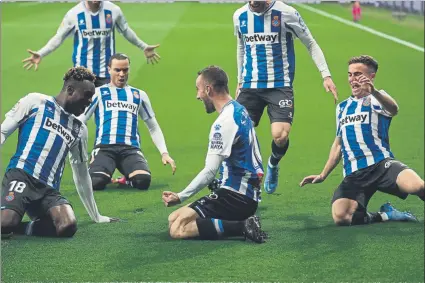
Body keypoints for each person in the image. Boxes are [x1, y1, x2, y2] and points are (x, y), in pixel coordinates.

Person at [300, 55, 424, 226]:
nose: (353, 79)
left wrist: (373, 91)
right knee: (341, 218)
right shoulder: (342, 108)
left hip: (381, 165)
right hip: (355, 173)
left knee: (417, 186)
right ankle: (386, 215)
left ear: (371, 76)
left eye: (358, 74)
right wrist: (323, 174)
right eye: (350, 74)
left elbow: (393, 109)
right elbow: (338, 144)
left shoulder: (376, 98)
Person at [233, 1, 338, 194]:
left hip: (280, 85)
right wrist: (240, 80)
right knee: (237, 133)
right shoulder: (239, 16)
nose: (252, 4)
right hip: (250, 86)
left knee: (280, 136)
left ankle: (273, 164)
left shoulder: (286, 13)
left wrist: (326, 75)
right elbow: (241, 47)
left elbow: (310, 43)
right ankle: (245, 178)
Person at [1, 67, 117, 239]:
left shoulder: (79, 129)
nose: (89, 101)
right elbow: (3, 132)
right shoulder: (35, 102)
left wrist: (96, 216)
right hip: (21, 176)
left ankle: (21, 228)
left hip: (48, 191)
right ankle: (11, 223)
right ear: (70, 90)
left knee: (67, 225)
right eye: (86, 95)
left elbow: (82, 174)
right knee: (5, 223)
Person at [162, 66, 267, 243]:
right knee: (173, 218)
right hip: (243, 192)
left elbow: (210, 171)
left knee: (178, 229)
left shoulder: (224, 123)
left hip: (236, 196)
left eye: (198, 89)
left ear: (208, 89)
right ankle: (234, 222)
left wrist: (181, 196)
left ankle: (243, 226)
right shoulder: (238, 109)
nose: (197, 96)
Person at [78, 53, 176, 191]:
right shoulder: (98, 93)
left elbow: (153, 126)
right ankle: (104, 173)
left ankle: (125, 179)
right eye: (117, 70)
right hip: (105, 148)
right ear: (109, 70)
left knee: (143, 181)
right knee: (96, 182)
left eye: (125, 70)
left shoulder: (139, 95)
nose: (121, 74)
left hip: (130, 149)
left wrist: (164, 153)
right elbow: (82, 119)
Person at [22, 1, 160, 87]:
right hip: (81, 73)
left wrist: (144, 46)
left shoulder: (113, 11)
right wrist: (41, 53)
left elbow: (125, 31)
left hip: (107, 73)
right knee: (78, 116)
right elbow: (59, 37)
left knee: (108, 113)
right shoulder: (74, 14)